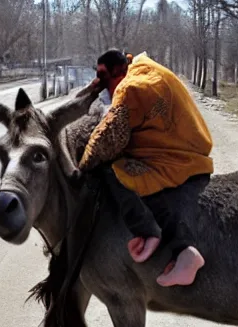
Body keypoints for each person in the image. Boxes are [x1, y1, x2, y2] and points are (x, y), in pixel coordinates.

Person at [76, 49, 214, 287]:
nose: (102, 85)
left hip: (178, 159)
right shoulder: (144, 68)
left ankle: (179, 249)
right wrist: (95, 88)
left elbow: (106, 140)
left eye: (104, 78)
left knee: (116, 171)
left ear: (117, 72)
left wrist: (82, 166)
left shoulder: (130, 90)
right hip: (190, 144)